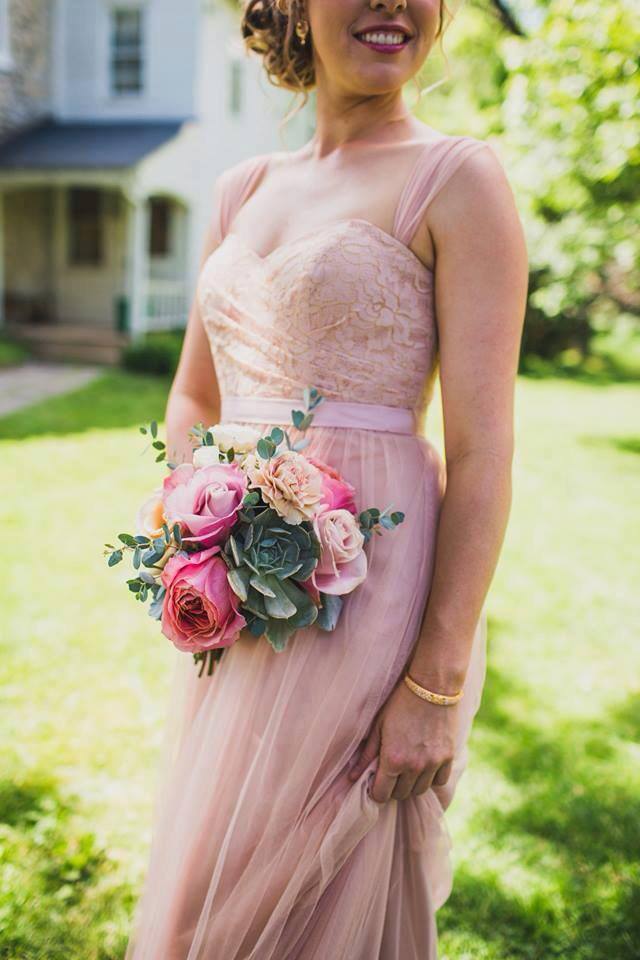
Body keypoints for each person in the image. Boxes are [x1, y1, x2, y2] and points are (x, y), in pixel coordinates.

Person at [124, 0, 528, 957]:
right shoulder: (239, 189)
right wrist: (199, 531)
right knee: (210, 893)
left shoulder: (456, 180)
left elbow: (484, 452)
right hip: (237, 604)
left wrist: (434, 684)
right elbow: (193, 396)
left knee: (318, 890)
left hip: (372, 601)